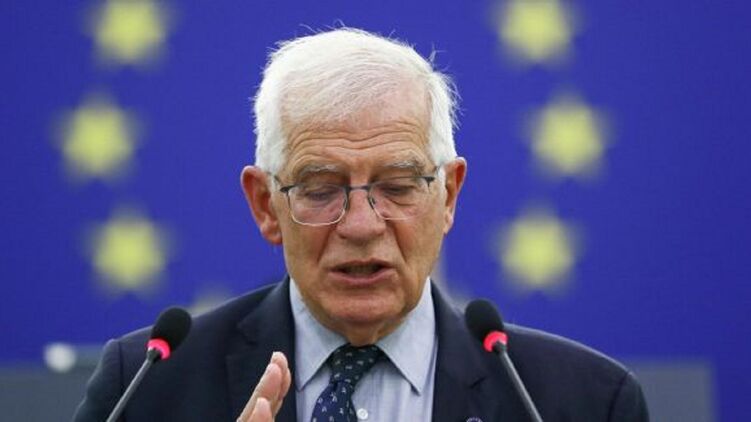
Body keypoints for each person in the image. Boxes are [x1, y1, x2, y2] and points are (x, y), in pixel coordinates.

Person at [74, 28, 649, 422]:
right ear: (265, 204)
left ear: (448, 196)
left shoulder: (582, 401)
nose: (360, 225)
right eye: (320, 189)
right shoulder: (148, 386)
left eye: (397, 187)